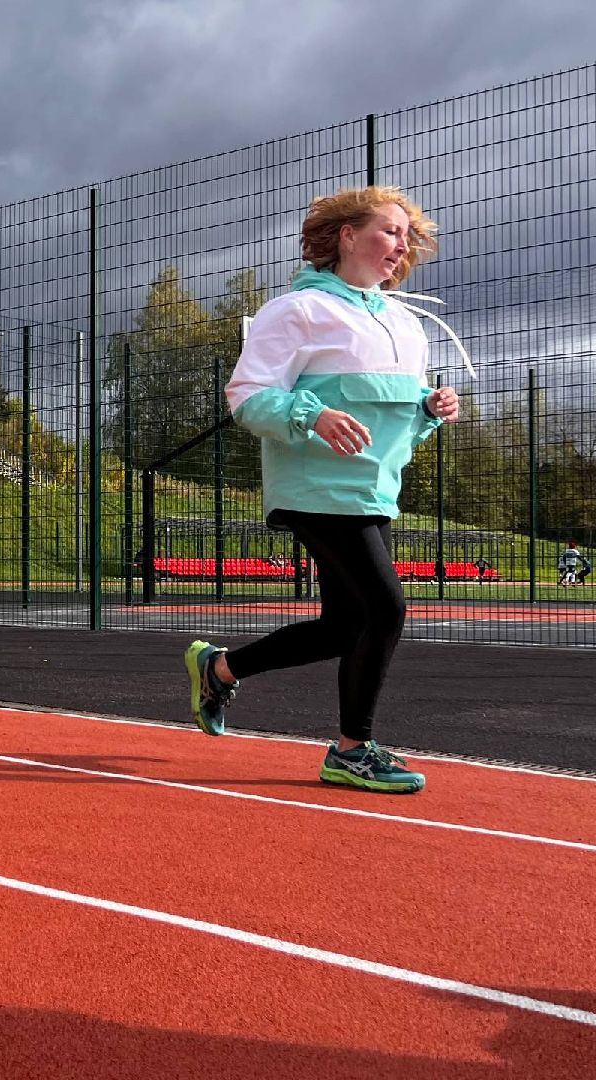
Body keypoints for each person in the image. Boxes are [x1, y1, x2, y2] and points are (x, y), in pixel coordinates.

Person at [182, 186, 461, 795]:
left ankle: (219, 669)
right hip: (314, 486)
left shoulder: (406, 323)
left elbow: (394, 415)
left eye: (407, 236)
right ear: (347, 235)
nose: (402, 245)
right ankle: (352, 750)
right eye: (389, 230)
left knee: (345, 626)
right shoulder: (297, 310)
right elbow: (248, 398)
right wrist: (313, 414)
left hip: (374, 488)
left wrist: (430, 409)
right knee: (385, 608)